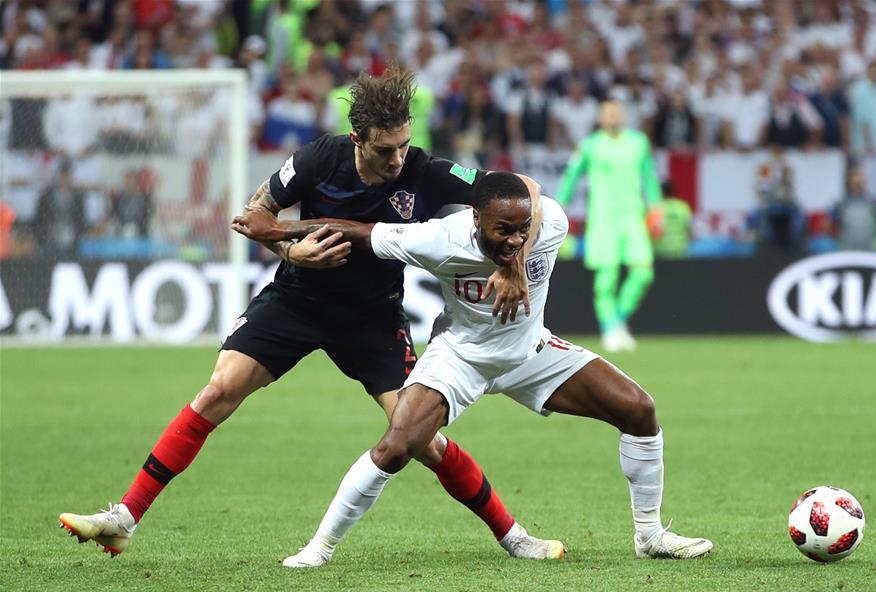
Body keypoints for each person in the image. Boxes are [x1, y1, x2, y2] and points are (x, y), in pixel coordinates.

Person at [59, 67, 562, 562]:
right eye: (385, 149)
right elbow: (254, 213)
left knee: (421, 439)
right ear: (356, 139)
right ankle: (125, 518)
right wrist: (289, 253)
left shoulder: (424, 170)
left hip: (373, 317)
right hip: (298, 300)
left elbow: (526, 191)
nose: (397, 159)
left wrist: (515, 265)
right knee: (217, 391)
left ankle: (513, 536)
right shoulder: (320, 159)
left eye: (404, 145)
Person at [231, 172, 712, 567]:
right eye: (503, 229)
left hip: (530, 353)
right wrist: (277, 230)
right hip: (460, 356)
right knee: (398, 445)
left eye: (522, 228)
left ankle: (649, 535)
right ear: (474, 218)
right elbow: (357, 230)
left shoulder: (548, 226)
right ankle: (319, 549)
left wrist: (515, 263)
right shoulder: (439, 239)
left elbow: (535, 197)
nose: (516, 237)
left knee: (639, 410)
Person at [556, 100, 663, 353]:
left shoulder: (638, 143)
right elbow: (571, 177)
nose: (613, 116)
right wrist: (559, 207)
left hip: (633, 218)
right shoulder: (590, 145)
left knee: (643, 273)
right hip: (603, 219)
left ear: (625, 115)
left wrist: (657, 208)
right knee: (607, 278)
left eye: (617, 111)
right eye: (607, 112)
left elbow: (649, 177)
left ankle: (618, 322)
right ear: (600, 117)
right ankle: (610, 330)